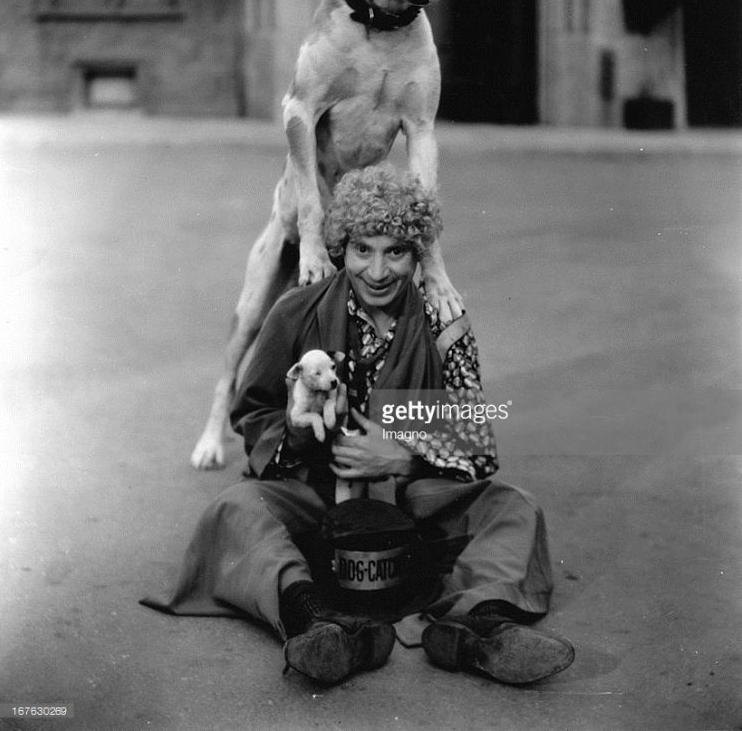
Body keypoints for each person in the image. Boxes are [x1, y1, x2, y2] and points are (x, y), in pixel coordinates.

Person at [141, 164, 574, 686]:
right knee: (234, 510)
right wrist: (297, 435)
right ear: (340, 248)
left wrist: (403, 456)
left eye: (396, 251)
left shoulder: (444, 322)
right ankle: (321, 624)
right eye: (362, 249)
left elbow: (477, 441)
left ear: (417, 255)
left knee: (514, 508)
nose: (377, 271)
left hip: (411, 500)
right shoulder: (295, 311)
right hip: (318, 493)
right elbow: (252, 412)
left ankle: (477, 628)